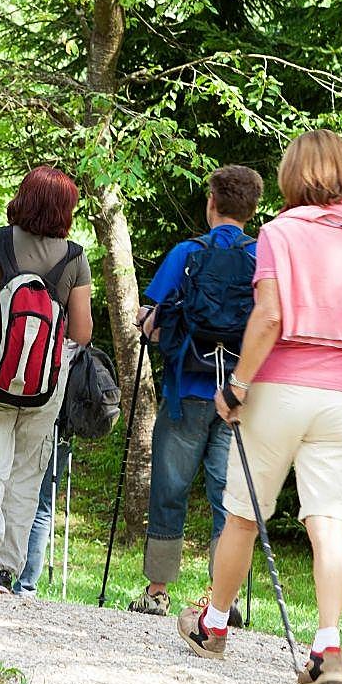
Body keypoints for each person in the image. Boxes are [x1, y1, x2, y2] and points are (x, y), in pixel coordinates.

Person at [176, 130, 342, 684]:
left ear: (292, 176)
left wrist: (238, 385)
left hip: (281, 388)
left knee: (244, 514)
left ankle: (215, 624)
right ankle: (327, 645)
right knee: (329, 522)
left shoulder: (280, 233)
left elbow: (271, 315)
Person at [127, 165, 263, 620]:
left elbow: (153, 318)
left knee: (170, 486)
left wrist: (149, 324)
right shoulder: (263, 259)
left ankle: (158, 590)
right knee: (229, 495)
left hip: (186, 388)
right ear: (252, 209)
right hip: (239, 396)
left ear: (211, 204)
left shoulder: (187, 253)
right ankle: (225, 598)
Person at [0, 166, 93, 594]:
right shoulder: (75, 257)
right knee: (27, 474)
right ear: (65, 211)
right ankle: (5, 571)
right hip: (45, 385)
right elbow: (81, 334)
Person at [12, 416, 72, 597]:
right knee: (43, 506)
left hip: (29, 413)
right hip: (64, 424)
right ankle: (25, 585)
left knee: (10, 492)